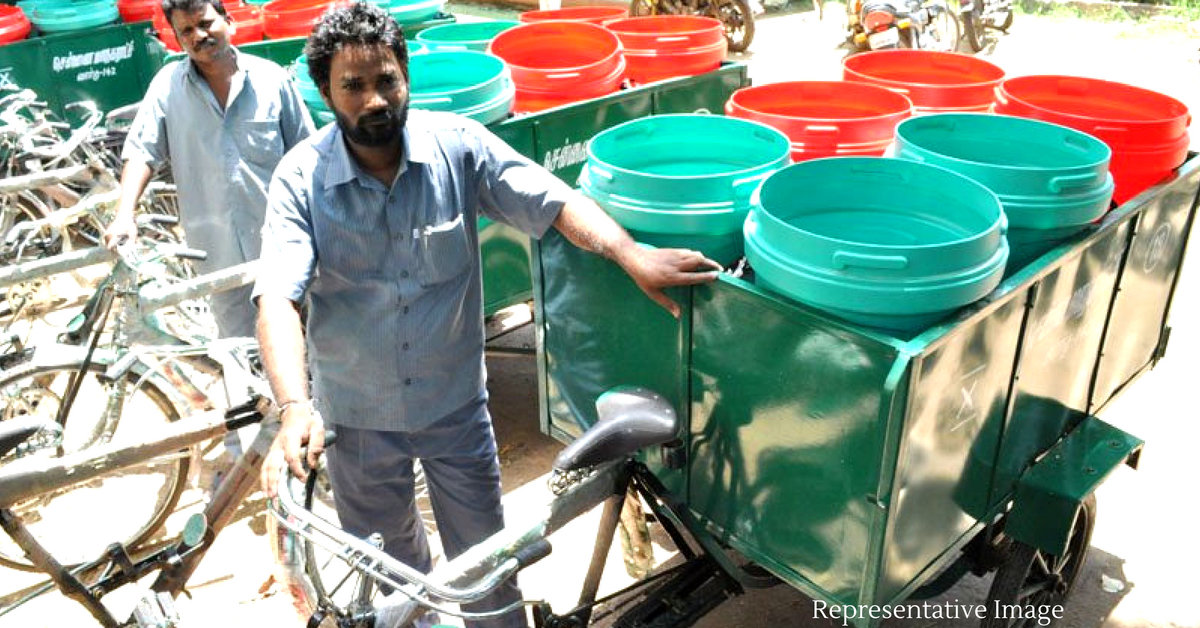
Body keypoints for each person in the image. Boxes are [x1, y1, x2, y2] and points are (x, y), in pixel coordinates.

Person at [253, 4, 721, 627]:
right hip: (357, 422)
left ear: (406, 76)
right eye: (353, 86)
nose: (373, 100)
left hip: (455, 410)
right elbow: (278, 299)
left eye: (386, 80)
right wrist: (294, 408)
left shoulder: (459, 146)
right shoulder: (301, 179)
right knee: (391, 580)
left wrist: (628, 252)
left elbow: (553, 202)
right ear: (324, 91)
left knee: (487, 570)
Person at [103, 0, 314, 339]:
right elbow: (142, 151)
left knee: (309, 344)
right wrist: (124, 213)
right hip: (219, 258)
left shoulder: (271, 80)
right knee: (242, 357)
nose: (199, 35)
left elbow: (308, 156)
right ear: (177, 39)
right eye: (187, 30)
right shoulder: (167, 87)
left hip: (283, 247)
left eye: (205, 23)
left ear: (228, 21)